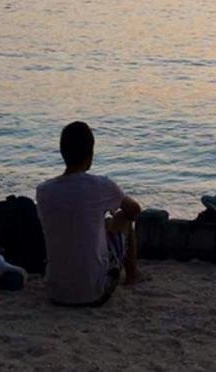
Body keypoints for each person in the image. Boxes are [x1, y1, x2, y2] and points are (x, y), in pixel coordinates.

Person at [36, 122, 141, 307]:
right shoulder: (101, 186)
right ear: (90, 154)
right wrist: (122, 197)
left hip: (55, 292)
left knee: (98, 224)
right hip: (94, 292)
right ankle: (132, 275)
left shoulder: (44, 191)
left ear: (63, 153)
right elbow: (134, 210)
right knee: (122, 218)